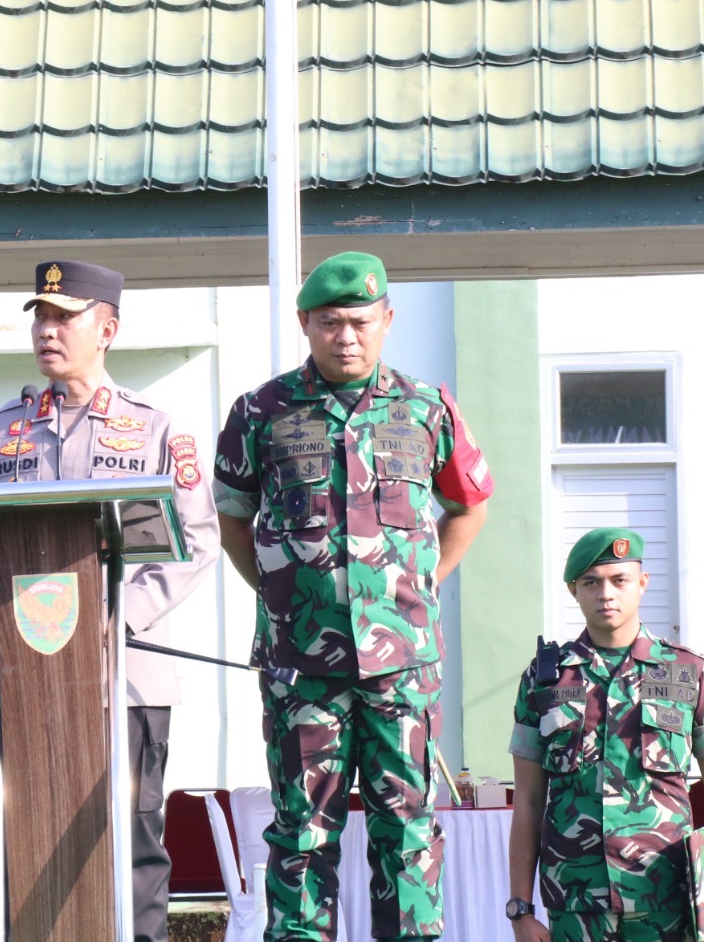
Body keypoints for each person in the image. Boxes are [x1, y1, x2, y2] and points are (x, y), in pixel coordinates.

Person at [212, 251, 494, 942]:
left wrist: (418, 589)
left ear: (387, 321)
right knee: (303, 832)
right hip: (301, 668)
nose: (347, 336)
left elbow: (470, 506)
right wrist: (290, 597)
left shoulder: (426, 408)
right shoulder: (261, 412)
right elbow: (231, 519)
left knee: (408, 831)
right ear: (305, 323)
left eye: (361, 322)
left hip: (402, 665)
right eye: (330, 322)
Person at [0, 259, 220, 942]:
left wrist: (116, 618)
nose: (47, 330)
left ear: (106, 328)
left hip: (127, 680)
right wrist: (19, 626)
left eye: (63, 317)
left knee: (130, 841)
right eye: (40, 317)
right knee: (31, 836)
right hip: (31, 677)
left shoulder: (158, 430)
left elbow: (196, 540)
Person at [506, 528, 704, 942]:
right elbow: (527, 800)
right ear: (573, 590)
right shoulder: (543, 680)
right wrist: (520, 909)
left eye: (619, 580)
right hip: (576, 902)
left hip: (669, 898)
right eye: (591, 582)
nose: (606, 594)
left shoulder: (690, 673)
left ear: (642, 583)